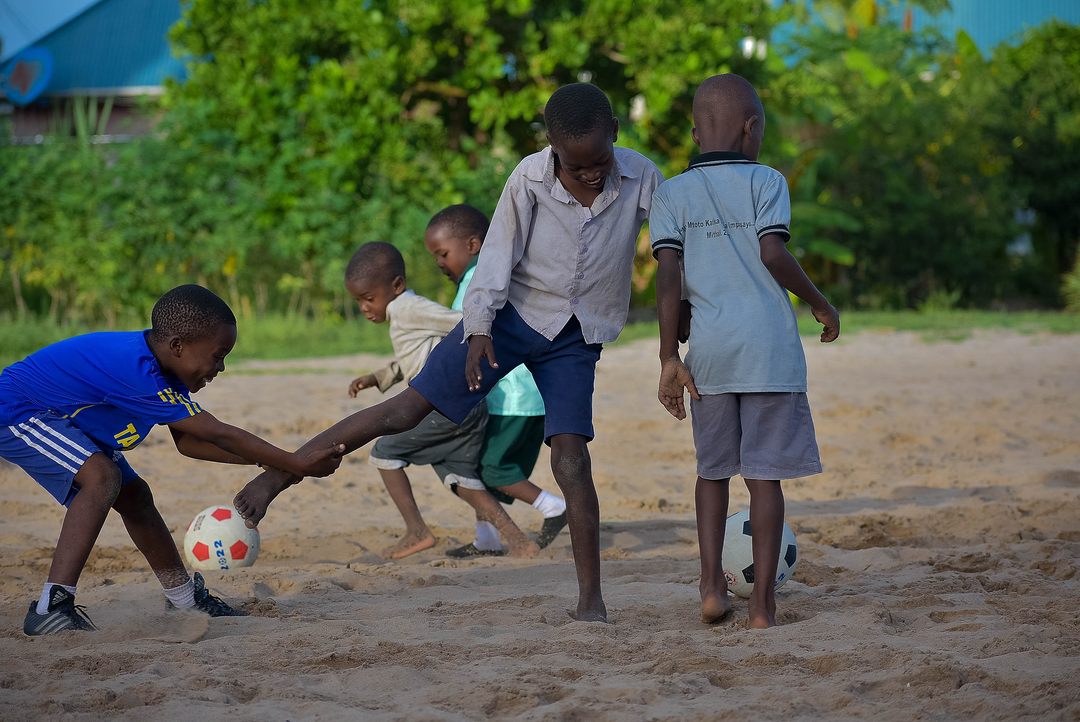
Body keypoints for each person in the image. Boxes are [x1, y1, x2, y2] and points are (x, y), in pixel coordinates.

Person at [235, 82, 664, 622]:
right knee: (404, 410)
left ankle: (590, 601)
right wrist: (479, 327)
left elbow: (675, 241)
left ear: (615, 135)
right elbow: (497, 256)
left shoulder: (643, 176)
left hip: (576, 336)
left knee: (572, 459)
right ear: (551, 147)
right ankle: (280, 474)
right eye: (574, 167)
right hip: (508, 319)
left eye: (599, 161)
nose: (590, 176)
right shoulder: (528, 178)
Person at [0, 284, 344, 635]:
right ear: (178, 346)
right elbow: (216, 433)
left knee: (136, 496)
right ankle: (51, 607)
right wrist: (294, 463)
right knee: (101, 477)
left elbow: (189, 444)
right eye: (218, 355)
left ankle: (183, 599)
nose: (222, 367)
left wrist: (268, 462)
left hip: (60, 416)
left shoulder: (164, 368)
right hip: (16, 410)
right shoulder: (137, 370)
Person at [650, 74, 841, 629]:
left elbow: (668, 279)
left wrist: (669, 356)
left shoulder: (671, 193)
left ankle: (711, 588)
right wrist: (820, 301)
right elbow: (772, 252)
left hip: (708, 354)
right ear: (751, 129)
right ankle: (762, 607)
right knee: (764, 479)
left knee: (711, 474)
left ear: (695, 133)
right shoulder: (768, 180)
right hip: (768, 353)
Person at [343, 242, 539, 559]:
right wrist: (378, 377)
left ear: (396, 285)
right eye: (358, 301)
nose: (365, 308)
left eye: (369, 298)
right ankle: (519, 541)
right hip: (466, 405)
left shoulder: (407, 308)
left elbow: (461, 322)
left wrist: (483, 332)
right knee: (461, 477)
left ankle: (417, 531)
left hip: (443, 404)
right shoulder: (403, 310)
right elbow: (419, 354)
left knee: (384, 452)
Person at [423, 204, 568, 557]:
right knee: (483, 465)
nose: (439, 262)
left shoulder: (475, 282)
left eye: (443, 253)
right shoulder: (501, 273)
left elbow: (460, 338)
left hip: (510, 398)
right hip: (529, 394)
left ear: (473, 245)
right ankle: (486, 539)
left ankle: (553, 506)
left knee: (493, 471)